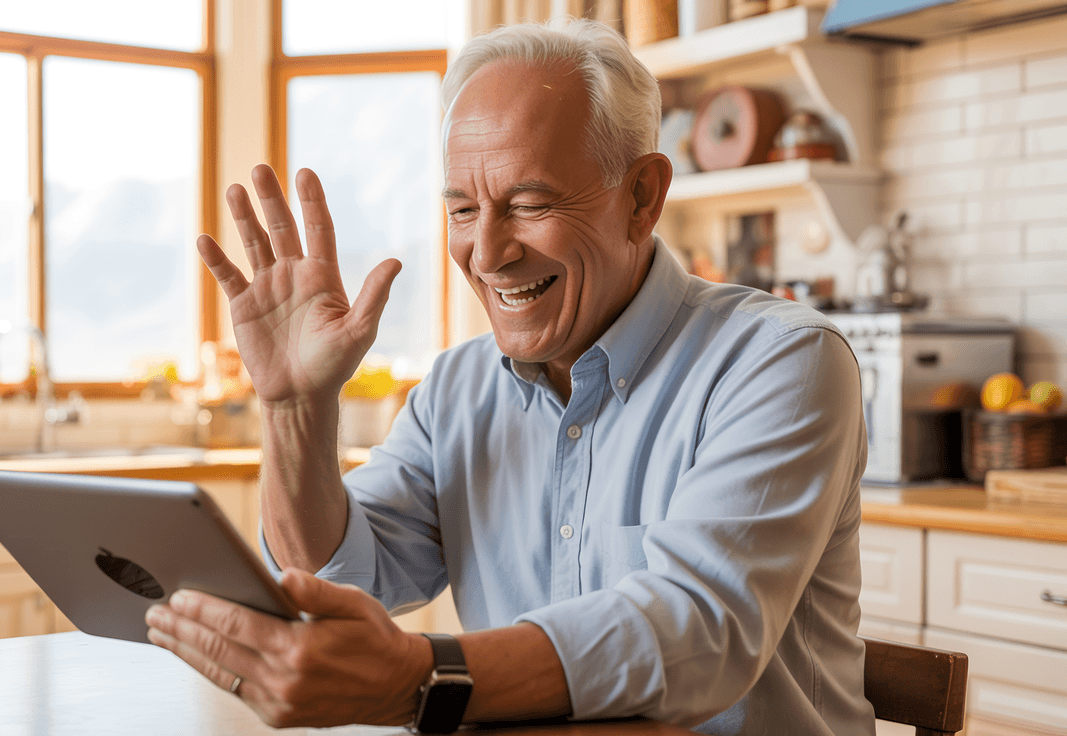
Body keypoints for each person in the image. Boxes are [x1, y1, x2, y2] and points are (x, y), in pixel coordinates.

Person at [145, 17, 873, 736]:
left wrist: (421, 680)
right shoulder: (458, 389)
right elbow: (339, 585)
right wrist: (295, 407)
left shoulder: (779, 360)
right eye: (463, 210)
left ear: (642, 198)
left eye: (530, 205)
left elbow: (698, 633)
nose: (487, 254)